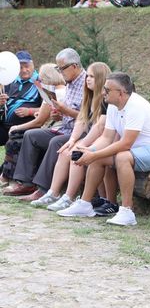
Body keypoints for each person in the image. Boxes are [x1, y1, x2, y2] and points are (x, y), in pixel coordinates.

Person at [57, 72, 150, 226]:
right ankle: (85, 204)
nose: (103, 92)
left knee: (122, 157)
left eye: (107, 89)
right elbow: (106, 138)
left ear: (121, 93)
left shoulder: (135, 106)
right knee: (99, 158)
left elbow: (126, 144)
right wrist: (90, 151)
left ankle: (127, 211)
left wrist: (94, 154)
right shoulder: (112, 105)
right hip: (136, 151)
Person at [3, 48, 86, 199]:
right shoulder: (70, 83)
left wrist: (65, 111)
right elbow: (66, 114)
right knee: (31, 135)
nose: (60, 73)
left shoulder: (86, 84)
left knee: (55, 142)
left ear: (74, 66)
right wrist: (59, 115)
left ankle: (43, 190)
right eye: (58, 69)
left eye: (61, 69)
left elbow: (88, 117)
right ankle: (25, 183)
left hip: (80, 133)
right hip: (65, 128)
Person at [30, 62, 113, 212]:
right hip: (92, 136)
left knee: (75, 153)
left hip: (106, 138)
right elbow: (81, 120)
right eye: (87, 76)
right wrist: (72, 140)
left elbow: (99, 128)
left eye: (92, 76)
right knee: (65, 151)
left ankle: (69, 197)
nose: (87, 79)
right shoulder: (89, 96)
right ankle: (53, 193)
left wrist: (81, 144)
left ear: (101, 78)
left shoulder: (105, 99)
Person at [0, 63, 66, 185]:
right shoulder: (48, 91)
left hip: (55, 130)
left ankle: (16, 179)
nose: (39, 81)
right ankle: (8, 175)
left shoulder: (56, 93)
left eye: (41, 79)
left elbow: (40, 121)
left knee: (19, 137)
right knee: (19, 137)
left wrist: (18, 125)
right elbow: (44, 113)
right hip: (47, 127)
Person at [0, 50, 42, 146]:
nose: (24, 70)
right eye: (20, 67)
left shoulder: (40, 82)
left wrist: (30, 111)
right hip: (5, 126)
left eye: (26, 66)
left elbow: (49, 109)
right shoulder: (9, 81)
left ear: (32, 65)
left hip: (26, 129)